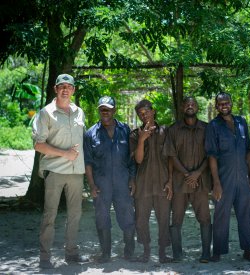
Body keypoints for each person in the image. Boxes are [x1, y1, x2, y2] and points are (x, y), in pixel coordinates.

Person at [32, 74, 88, 269]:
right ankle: (45, 258)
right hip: (54, 171)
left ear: (73, 90)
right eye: (61, 86)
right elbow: (38, 145)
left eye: (69, 86)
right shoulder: (45, 113)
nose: (65, 89)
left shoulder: (79, 112)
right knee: (50, 215)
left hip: (76, 172)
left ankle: (71, 253)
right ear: (55, 89)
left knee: (75, 214)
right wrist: (65, 154)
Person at [205, 92, 250, 262]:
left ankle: (248, 249)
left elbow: (248, 152)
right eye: (220, 103)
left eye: (227, 102)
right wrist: (216, 183)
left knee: (245, 213)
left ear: (231, 103)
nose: (224, 105)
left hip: (242, 177)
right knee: (221, 214)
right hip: (224, 178)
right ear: (216, 106)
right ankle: (218, 251)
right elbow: (212, 155)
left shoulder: (242, 122)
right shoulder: (213, 126)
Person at [83, 96, 136, 263]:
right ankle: (105, 254)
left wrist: (132, 179)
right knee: (102, 218)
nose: (105, 112)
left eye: (108, 109)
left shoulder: (125, 130)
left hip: (122, 183)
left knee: (127, 217)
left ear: (114, 110)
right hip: (101, 185)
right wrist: (91, 185)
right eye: (102, 109)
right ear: (99, 111)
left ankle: (129, 252)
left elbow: (132, 157)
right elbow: (88, 162)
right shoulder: (90, 134)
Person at [164, 96, 212, 263]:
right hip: (179, 182)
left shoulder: (207, 128)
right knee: (176, 219)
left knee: (205, 218)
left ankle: (206, 253)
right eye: (187, 104)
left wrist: (197, 173)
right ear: (182, 107)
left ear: (197, 107)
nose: (190, 106)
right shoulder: (173, 129)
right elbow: (171, 155)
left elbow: (210, 155)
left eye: (193, 104)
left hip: (201, 182)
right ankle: (177, 254)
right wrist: (187, 174)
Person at [129, 99, 173, 263]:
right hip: (143, 184)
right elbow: (138, 160)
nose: (144, 115)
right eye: (140, 113)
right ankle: (146, 252)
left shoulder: (165, 131)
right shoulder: (134, 134)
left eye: (146, 111)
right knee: (141, 219)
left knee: (163, 218)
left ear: (153, 111)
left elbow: (170, 158)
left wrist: (170, 181)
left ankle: (162, 253)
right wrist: (142, 139)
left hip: (162, 183)